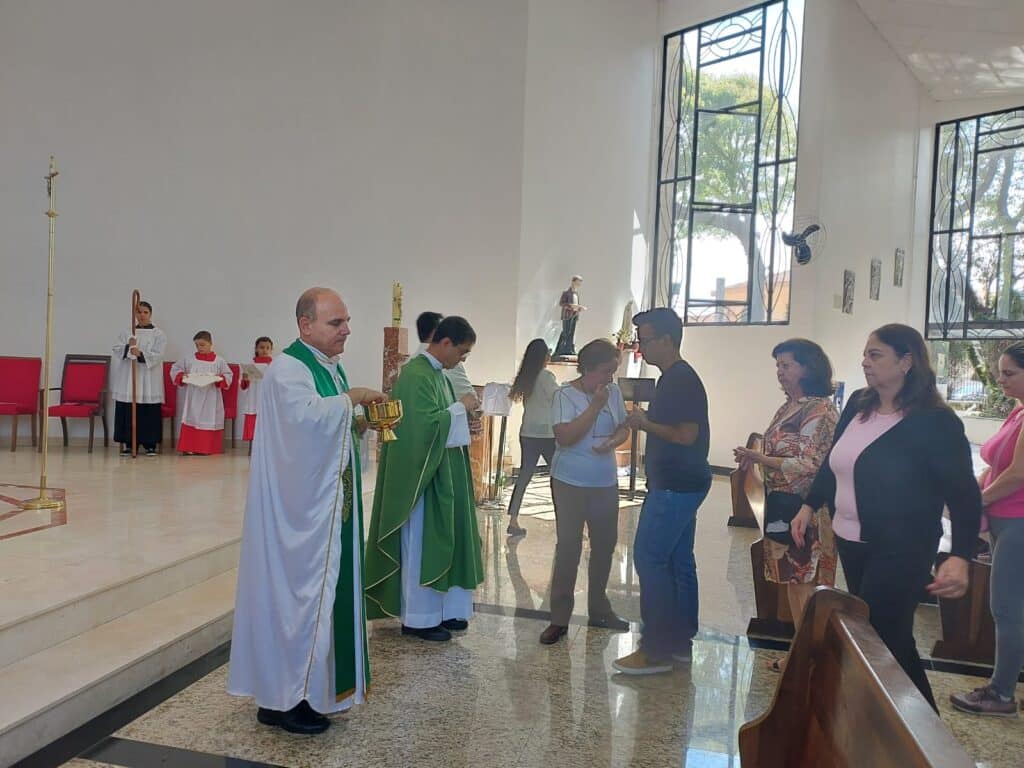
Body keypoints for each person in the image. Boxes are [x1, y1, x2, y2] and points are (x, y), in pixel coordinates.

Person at [791, 323, 980, 712]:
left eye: (875, 355)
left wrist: (960, 555)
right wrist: (809, 505)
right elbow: (834, 462)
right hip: (852, 539)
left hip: (903, 546)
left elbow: (963, 494)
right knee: (880, 633)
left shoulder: (935, 421)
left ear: (906, 361)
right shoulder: (859, 403)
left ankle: (917, 726)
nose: (865, 362)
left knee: (881, 635)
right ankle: (896, 722)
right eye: (865, 354)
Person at [228, 287, 385, 735]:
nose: (346, 330)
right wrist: (353, 398)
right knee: (294, 601)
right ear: (305, 325)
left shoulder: (327, 367)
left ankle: (309, 692)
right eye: (336, 323)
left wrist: (359, 420)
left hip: (326, 510)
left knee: (320, 599)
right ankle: (282, 700)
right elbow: (305, 425)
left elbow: (329, 426)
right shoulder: (288, 369)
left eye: (346, 321)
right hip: (295, 518)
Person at [365, 316, 485, 642]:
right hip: (422, 478)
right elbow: (423, 429)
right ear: (445, 343)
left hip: (443, 472)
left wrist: (464, 416)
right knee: (421, 545)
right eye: (462, 351)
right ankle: (419, 618)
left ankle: (446, 611)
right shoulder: (416, 375)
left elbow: (441, 419)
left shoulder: (438, 374)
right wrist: (460, 408)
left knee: (447, 540)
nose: (463, 359)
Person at [613, 307, 711, 674]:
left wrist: (644, 423)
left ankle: (655, 649)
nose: (641, 347)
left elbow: (686, 435)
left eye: (646, 340)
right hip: (684, 482)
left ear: (667, 340)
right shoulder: (673, 377)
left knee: (650, 558)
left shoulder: (680, 379)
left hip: (674, 485)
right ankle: (680, 642)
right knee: (678, 560)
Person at [733, 339, 839, 650]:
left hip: (808, 510)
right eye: (778, 366)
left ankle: (810, 657)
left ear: (808, 367)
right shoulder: (790, 406)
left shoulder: (820, 410)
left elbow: (810, 464)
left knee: (806, 585)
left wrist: (762, 459)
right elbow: (777, 449)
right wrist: (755, 459)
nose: (780, 372)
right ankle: (800, 654)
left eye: (786, 365)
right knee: (793, 584)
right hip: (783, 506)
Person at [539, 338, 631, 645]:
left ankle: (599, 609)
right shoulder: (564, 395)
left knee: (604, 545)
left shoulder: (613, 393)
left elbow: (623, 427)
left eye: (613, 372)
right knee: (569, 547)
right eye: (605, 371)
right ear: (587, 369)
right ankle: (559, 618)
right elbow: (565, 437)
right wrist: (594, 407)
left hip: (604, 482)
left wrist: (614, 441)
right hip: (570, 482)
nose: (610, 378)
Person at [951, 340, 1024, 717]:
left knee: (1007, 609)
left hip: (1018, 520)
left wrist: (977, 501)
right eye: (1000, 373)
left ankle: (1002, 693)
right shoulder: (1018, 411)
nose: (1001, 380)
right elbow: (997, 465)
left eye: (1010, 373)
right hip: (1004, 518)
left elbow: (1018, 474)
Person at [506, 339, 559, 537]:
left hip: (527, 431)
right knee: (559, 477)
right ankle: (565, 520)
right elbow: (558, 397)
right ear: (544, 356)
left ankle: (513, 519)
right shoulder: (545, 376)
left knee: (524, 476)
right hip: (547, 433)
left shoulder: (526, 376)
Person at [111, 300, 166, 456]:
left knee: (148, 409)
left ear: (150, 314)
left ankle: (150, 444)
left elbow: (158, 354)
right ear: (134, 314)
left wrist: (140, 354)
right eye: (139, 312)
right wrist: (128, 347)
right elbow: (116, 349)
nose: (142, 315)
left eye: (145, 312)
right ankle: (129, 443)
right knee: (128, 408)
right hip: (129, 377)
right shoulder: (127, 332)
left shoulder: (158, 334)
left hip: (149, 377)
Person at [170, 331, 233, 455]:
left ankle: (206, 448)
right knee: (192, 418)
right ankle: (190, 448)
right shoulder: (189, 359)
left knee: (209, 418)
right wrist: (182, 375)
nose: (199, 348)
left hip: (211, 397)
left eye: (202, 345)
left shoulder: (219, 361)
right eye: (197, 345)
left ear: (210, 344)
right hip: (194, 395)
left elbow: (228, 375)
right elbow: (175, 369)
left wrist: (219, 379)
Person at [412, 310, 475, 399]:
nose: (463, 359)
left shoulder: (409, 362)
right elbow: (469, 398)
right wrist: (462, 405)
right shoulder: (449, 362)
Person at [240, 336, 273, 443]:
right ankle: (252, 446)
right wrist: (245, 379)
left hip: (267, 398)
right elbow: (244, 386)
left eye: (267, 348)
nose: (264, 350)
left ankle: (266, 445)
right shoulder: (250, 365)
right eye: (262, 347)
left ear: (271, 350)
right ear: (256, 349)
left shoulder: (274, 365)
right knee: (253, 422)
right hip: (253, 398)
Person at [554, 276, 585, 358]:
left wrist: (579, 308)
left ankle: (569, 349)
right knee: (566, 332)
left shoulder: (576, 294)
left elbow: (576, 305)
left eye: (579, 283)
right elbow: (562, 303)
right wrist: (571, 306)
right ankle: (559, 350)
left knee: (572, 333)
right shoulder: (566, 293)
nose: (578, 285)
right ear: (573, 282)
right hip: (567, 315)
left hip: (574, 315)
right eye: (577, 283)